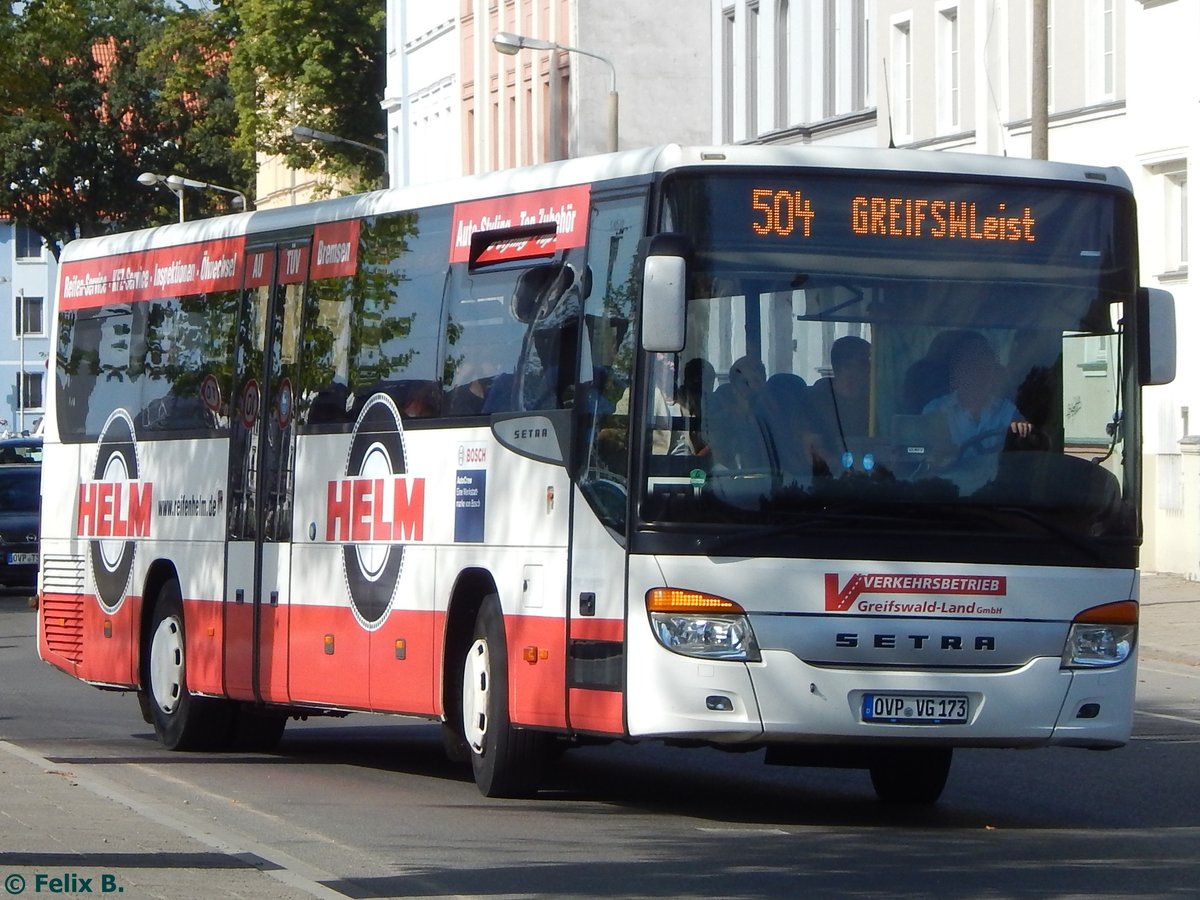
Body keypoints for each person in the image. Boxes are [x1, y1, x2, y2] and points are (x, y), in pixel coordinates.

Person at [921, 331, 1031, 457]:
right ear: (957, 372)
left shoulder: (1009, 412)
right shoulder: (934, 410)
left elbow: (1024, 454)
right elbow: (922, 458)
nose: (978, 375)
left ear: (993, 374)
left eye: (985, 368)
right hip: (944, 476)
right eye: (971, 367)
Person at [806, 335, 872, 473]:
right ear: (843, 367)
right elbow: (812, 448)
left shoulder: (876, 400)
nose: (869, 370)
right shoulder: (815, 400)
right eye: (865, 364)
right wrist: (842, 468)